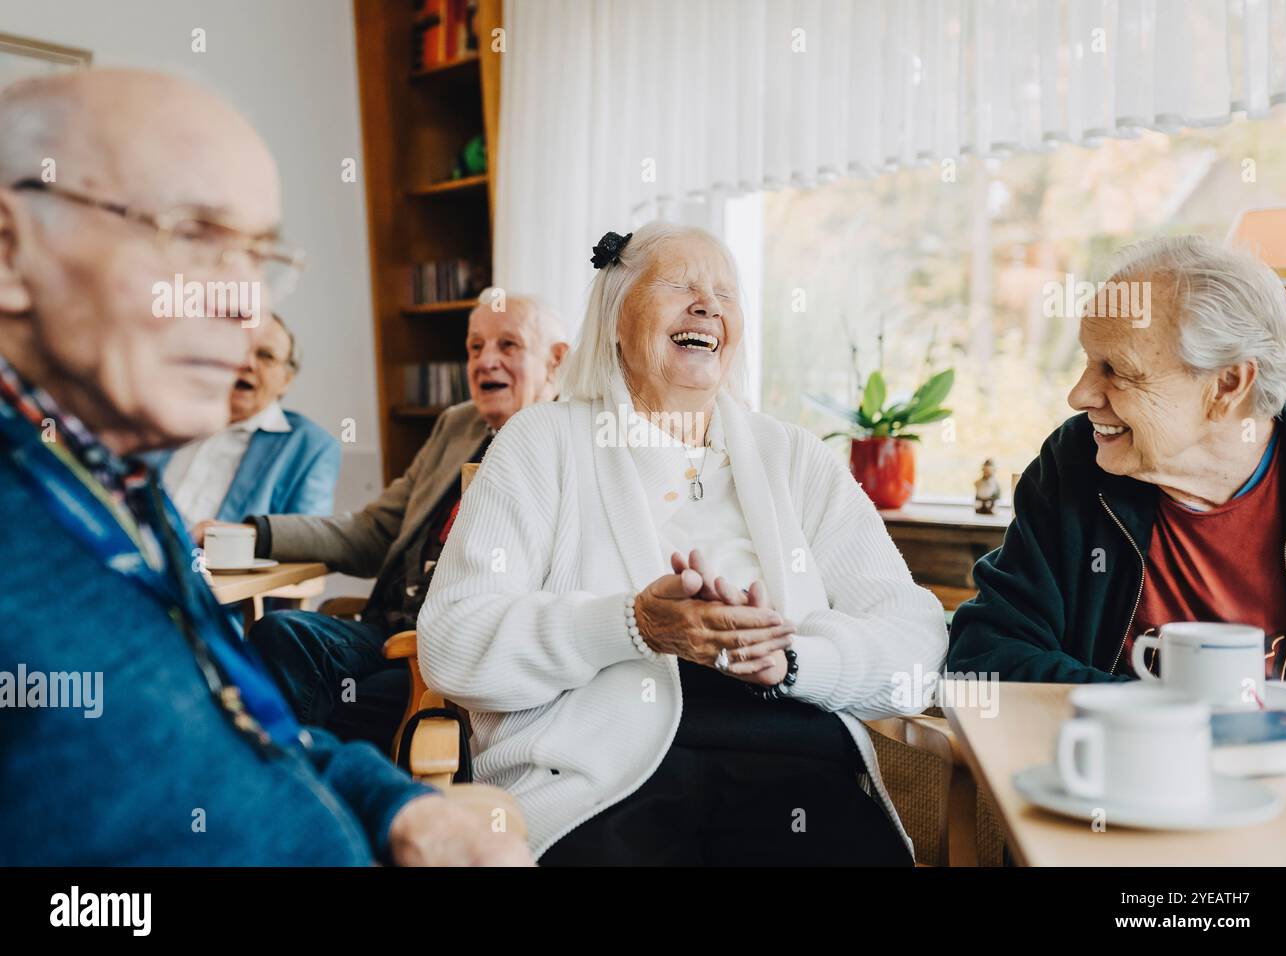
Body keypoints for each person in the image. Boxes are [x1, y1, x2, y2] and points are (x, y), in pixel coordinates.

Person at [0, 68, 529, 865]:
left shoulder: (122, 489)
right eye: (193, 237)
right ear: (11, 252)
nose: (246, 311)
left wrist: (396, 807)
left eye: (256, 256)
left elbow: (246, 725)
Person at [419, 222, 949, 865]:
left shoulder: (795, 458)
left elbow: (915, 640)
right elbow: (452, 641)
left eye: (726, 294)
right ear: (615, 317)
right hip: (599, 780)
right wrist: (632, 625)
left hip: (794, 768)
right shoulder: (539, 442)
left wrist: (793, 662)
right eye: (679, 286)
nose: (708, 307)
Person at [206, 292, 568, 750]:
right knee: (280, 633)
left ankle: (296, 777)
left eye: (508, 345)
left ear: (555, 361)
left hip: (447, 653)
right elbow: (372, 531)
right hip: (386, 628)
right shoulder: (457, 425)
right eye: (475, 347)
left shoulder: (562, 444)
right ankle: (283, 776)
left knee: (339, 702)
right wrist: (259, 534)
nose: (485, 361)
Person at [949, 236, 1286, 683]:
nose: (1079, 395)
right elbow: (985, 657)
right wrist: (1162, 711)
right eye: (1089, 361)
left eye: (1117, 370)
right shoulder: (1074, 462)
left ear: (1227, 384)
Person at [160, 312, 339, 536]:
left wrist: (229, 537)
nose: (247, 363)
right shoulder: (168, 416)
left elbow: (309, 540)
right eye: (237, 349)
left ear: (286, 380)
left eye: (266, 356)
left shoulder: (311, 447)